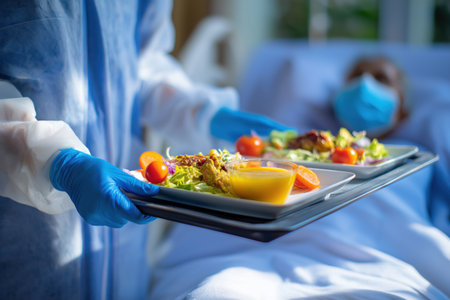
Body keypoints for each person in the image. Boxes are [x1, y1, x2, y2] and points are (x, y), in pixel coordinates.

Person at [0, 1, 290, 299]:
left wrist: (203, 112)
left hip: (124, 241)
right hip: (25, 234)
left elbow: (142, 68)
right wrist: (53, 161)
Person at [147, 56, 450, 298]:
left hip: (372, 262)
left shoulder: (419, 158)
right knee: (216, 292)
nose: (365, 84)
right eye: (355, 76)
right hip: (240, 255)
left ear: (404, 109)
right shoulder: (279, 145)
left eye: (382, 78)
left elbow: (428, 224)